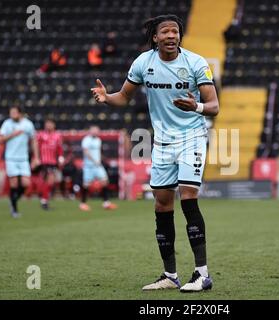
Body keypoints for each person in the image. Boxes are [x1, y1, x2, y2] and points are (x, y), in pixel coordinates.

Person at [91, 14, 219, 292]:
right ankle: (170, 275)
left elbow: (213, 106)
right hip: (162, 143)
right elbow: (123, 97)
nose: (171, 36)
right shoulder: (143, 63)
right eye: (166, 32)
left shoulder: (196, 63)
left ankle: (202, 274)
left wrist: (194, 107)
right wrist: (106, 97)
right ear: (155, 37)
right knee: (162, 205)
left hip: (192, 138)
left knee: (188, 194)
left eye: (176, 31)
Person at [0, 106, 40, 218]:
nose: (12, 115)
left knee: (26, 184)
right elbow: (0, 140)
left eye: (14, 112)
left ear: (20, 113)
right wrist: (13, 134)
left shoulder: (28, 124)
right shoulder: (7, 124)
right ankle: (14, 210)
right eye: (11, 113)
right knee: (14, 183)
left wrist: (36, 157)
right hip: (11, 158)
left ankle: (13, 201)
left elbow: (33, 141)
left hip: (23, 159)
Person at [79, 125, 118, 211]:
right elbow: (86, 152)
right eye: (94, 130)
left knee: (105, 181)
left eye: (97, 130)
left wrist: (101, 160)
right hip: (89, 166)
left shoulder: (98, 140)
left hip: (98, 166)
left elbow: (98, 152)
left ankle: (106, 203)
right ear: (90, 131)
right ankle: (83, 204)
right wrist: (94, 160)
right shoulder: (86, 140)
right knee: (86, 185)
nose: (96, 132)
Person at [36, 118, 64, 210]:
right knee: (50, 181)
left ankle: (44, 200)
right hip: (44, 162)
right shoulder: (40, 135)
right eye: (46, 124)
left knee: (49, 182)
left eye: (50, 124)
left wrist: (60, 157)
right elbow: (36, 147)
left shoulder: (58, 135)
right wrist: (36, 158)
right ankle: (44, 201)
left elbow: (59, 148)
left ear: (54, 125)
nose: (48, 125)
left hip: (53, 162)